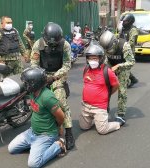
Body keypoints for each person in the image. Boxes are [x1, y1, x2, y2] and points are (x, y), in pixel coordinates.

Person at [8, 67, 66, 168]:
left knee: (34, 164)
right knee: (11, 149)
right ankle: (35, 147)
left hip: (46, 135)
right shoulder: (32, 91)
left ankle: (59, 145)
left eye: (26, 83)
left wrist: (59, 127)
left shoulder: (47, 97)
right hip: (32, 132)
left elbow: (61, 116)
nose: (24, 84)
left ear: (34, 84)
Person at [30, 22, 75, 150]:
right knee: (35, 98)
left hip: (58, 75)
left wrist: (54, 77)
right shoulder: (38, 45)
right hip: (42, 75)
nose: (53, 45)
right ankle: (39, 128)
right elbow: (34, 64)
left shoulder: (65, 45)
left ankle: (69, 131)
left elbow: (67, 65)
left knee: (60, 101)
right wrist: (42, 77)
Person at [79, 44, 125, 135]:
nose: (92, 61)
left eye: (95, 58)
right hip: (86, 106)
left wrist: (107, 95)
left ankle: (118, 122)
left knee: (102, 130)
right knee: (83, 127)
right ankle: (94, 119)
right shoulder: (86, 69)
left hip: (99, 107)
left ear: (101, 59)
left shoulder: (107, 71)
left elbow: (116, 85)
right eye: (90, 58)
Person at [99, 30, 135, 120]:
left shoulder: (125, 46)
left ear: (114, 42)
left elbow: (131, 62)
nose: (108, 51)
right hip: (111, 65)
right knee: (105, 87)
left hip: (122, 67)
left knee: (122, 90)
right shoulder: (106, 46)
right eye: (106, 50)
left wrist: (119, 66)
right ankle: (105, 107)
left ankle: (121, 113)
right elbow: (106, 59)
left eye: (109, 49)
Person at [119, 14, 139, 87]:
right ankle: (132, 79)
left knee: (124, 67)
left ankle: (130, 80)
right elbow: (118, 37)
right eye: (123, 21)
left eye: (125, 21)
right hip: (121, 50)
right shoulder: (122, 29)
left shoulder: (133, 30)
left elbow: (132, 42)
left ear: (130, 21)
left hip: (129, 52)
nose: (123, 23)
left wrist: (123, 46)